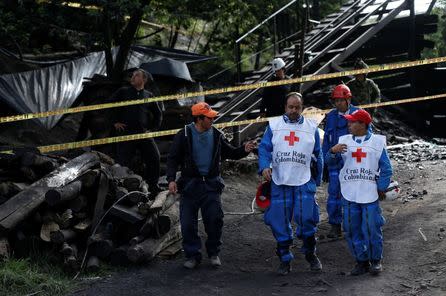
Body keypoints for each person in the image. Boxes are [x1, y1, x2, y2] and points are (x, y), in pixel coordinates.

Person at [166, 102, 256, 269]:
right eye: (209, 118)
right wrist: (171, 179)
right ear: (199, 119)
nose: (213, 120)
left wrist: (245, 149)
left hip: (211, 185)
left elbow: (231, 153)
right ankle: (193, 255)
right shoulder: (184, 135)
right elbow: (172, 158)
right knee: (187, 223)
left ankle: (213, 252)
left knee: (215, 219)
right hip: (190, 185)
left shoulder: (216, 135)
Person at [258, 92, 323, 275]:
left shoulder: (312, 127)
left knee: (307, 217)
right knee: (279, 220)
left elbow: (318, 154)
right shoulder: (274, 125)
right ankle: (285, 259)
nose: (294, 110)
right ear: (285, 107)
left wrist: (316, 179)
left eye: (297, 107)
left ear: (302, 108)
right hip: (280, 179)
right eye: (290, 107)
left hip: (303, 178)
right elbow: (264, 148)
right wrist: (264, 166)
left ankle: (311, 254)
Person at [325, 109, 392, 276]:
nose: (348, 124)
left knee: (371, 227)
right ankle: (361, 261)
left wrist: (381, 187)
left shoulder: (376, 143)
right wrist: (333, 152)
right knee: (350, 227)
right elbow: (329, 162)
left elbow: (386, 168)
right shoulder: (343, 141)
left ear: (362, 124)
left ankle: (375, 260)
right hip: (349, 192)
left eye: (352, 122)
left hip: (369, 193)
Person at [109, 69, 162, 195]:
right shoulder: (123, 91)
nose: (132, 77)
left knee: (155, 157)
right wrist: (114, 122)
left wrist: (152, 130)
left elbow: (158, 115)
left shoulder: (149, 95)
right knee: (123, 162)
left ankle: (153, 187)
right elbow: (108, 105)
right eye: (132, 75)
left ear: (144, 80)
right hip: (126, 133)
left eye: (136, 75)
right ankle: (118, 189)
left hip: (143, 134)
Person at [322, 84, 361, 239]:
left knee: (354, 195)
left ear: (348, 99)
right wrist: (326, 161)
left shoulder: (359, 114)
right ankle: (335, 226)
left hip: (354, 164)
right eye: (335, 100)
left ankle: (354, 225)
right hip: (335, 164)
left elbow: (369, 138)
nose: (338, 103)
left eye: (340, 100)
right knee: (334, 195)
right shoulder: (331, 117)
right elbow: (326, 141)